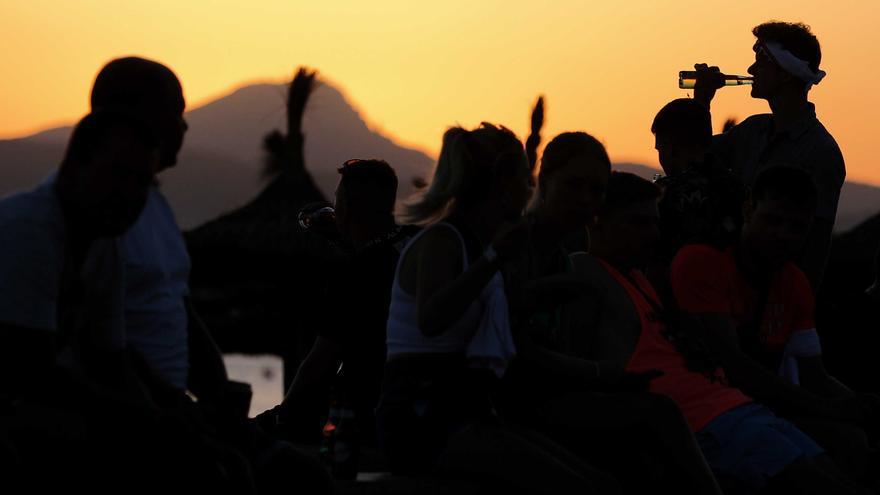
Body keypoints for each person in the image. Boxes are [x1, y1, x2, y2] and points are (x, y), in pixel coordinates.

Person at [575, 171, 868, 494]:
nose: (654, 235)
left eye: (655, 223)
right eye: (639, 223)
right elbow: (730, 362)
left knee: (845, 466)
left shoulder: (641, 281)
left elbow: (814, 374)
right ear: (596, 220)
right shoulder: (589, 273)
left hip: (737, 410)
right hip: (711, 421)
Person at [0, 111, 246, 492]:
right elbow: (33, 373)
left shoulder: (103, 244)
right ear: (75, 164)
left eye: (141, 182)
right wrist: (150, 418)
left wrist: (176, 408)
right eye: (118, 174)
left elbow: (112, 359)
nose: (130, 195)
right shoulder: (29, 230)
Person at [376, 123, 618, 494]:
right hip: (423, 422)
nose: (530, 189)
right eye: (525, 179)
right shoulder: (444, 240)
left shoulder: (481, 243)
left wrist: (542, 293)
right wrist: (494, 259)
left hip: (466, 413)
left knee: (602, 482)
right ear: (502, 183)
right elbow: (432, 319)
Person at [498, 132, 723, 495]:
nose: (585, 200)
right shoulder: (515, 248)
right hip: (504, 405)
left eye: (596, 190)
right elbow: (515, 353)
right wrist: (604, 374)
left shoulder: (559, 257)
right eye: (573, 185)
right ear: (545, 180)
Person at [671, 166, 879, 479]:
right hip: (709, 412)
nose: (783, 234)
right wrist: (827, 408)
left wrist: (860, 406)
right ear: (748, 210)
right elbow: (732, 365)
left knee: (852, 442)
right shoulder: (702, 261)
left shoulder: (794, 283)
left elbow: (813, 374)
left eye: (797, 227)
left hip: (762, 411)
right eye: (772, 220)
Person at [257, 159, 418, 445]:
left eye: (337, 201)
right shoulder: (418, 242)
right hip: (422, 403)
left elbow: (322, 360)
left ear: (345, 209)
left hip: (372, 416)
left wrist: (282, 413)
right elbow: (381, 248)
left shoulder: (354, 275)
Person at [694, 21, 843, 292]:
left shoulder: (820, 152)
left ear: (785, 74)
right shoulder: (753, 130)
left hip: (775, 296)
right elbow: (696, 159)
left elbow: (816, 245)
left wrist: (796, 306)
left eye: (761, 63)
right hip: (732, 286)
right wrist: (702, 102)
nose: (751, 70)